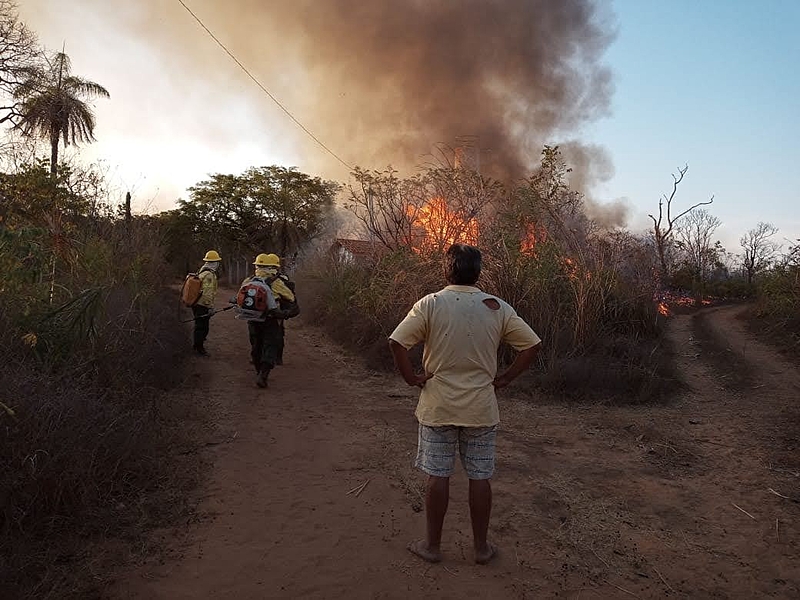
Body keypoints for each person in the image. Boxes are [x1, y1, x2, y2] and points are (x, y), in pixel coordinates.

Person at [389, 243, 541, 565]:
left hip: (438, 406)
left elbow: (397, 342)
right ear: (478, 273)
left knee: (437, 475)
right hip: (481, 408)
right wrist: (506, 378)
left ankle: (432, 547)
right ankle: (481, 549)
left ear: (447, 271)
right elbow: (531, 345)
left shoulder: (430, 304)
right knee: (480, 476)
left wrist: (411, 378)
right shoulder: (497, 307)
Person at [242, 253, 297, 388]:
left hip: (252, 318)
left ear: (257, 266)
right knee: (270, 346)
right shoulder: (276, 282)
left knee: (256, 346)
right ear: (273, 267)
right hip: (271, 319)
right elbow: (290, 298)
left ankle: (258, 372)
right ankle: (263, 375)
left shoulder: (248, 280)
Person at [192, 249, 222, 356]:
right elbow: (207, 293)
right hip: (202, 305)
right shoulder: (209, 275)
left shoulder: (202, 272)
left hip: (196, 303)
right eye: (217, 262)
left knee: (199, 326)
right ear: (214, 263)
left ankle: (197, 346)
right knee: (202, 327)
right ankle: (199, 348)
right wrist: (210, 307)